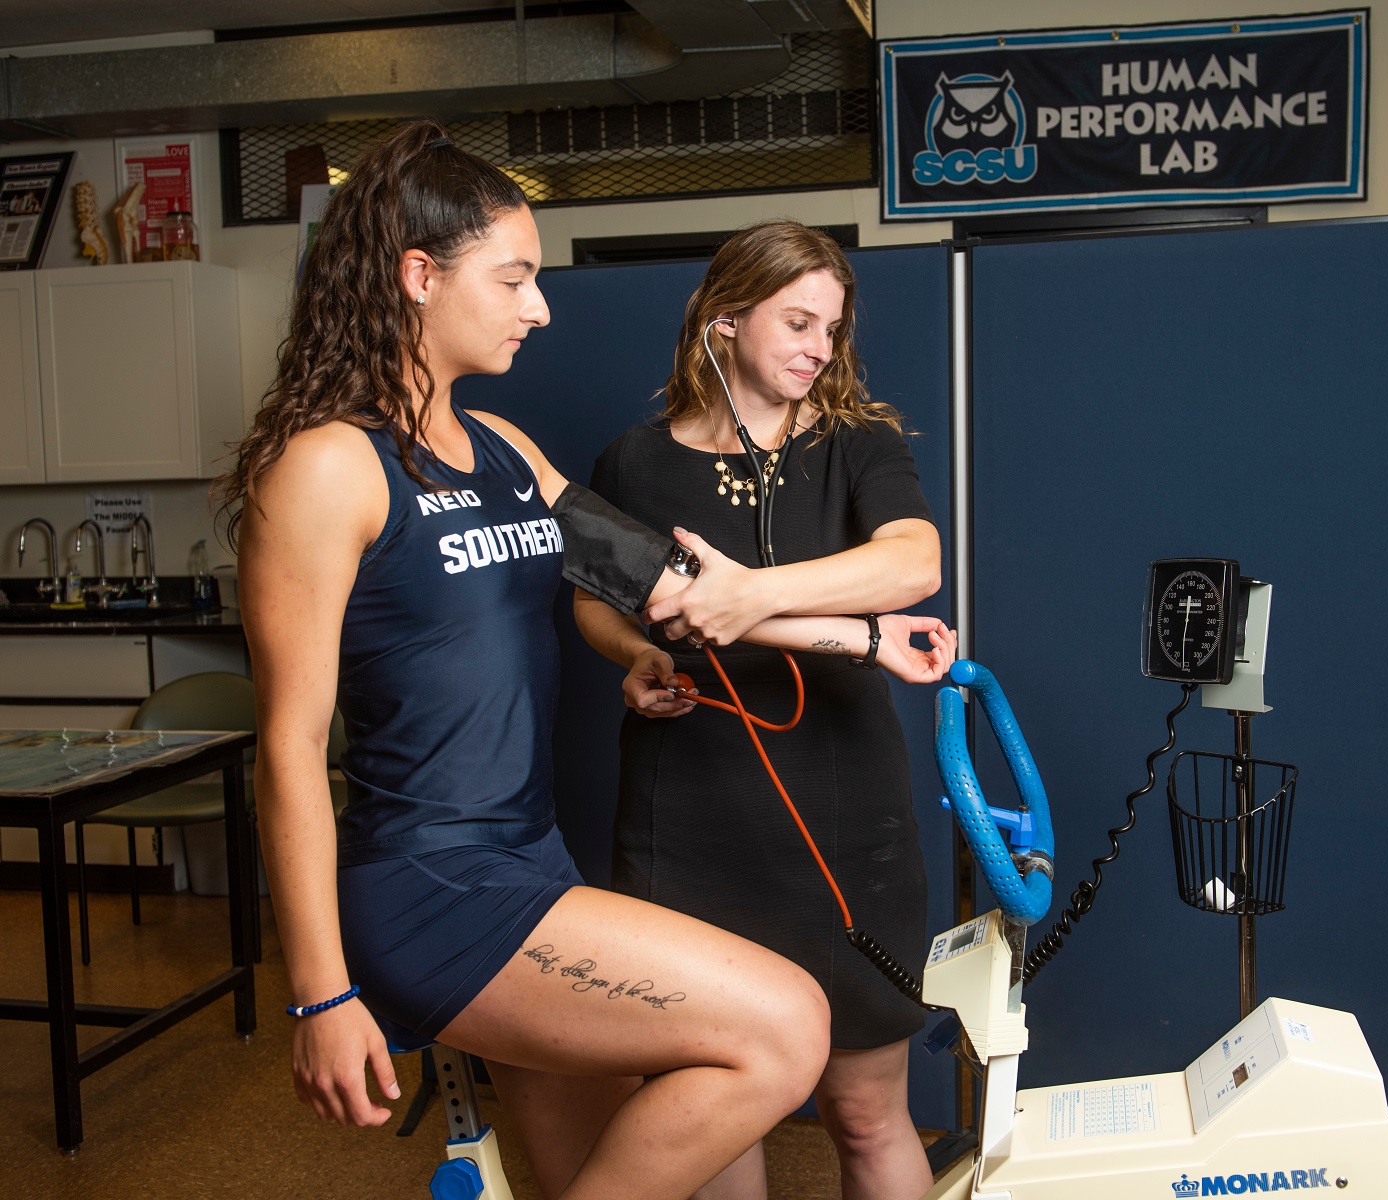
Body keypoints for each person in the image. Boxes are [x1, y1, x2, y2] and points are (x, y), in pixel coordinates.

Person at [215, 124, 955, 1200]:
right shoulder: (329, 468)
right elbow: (284, 749)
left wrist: (868, 637)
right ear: (418, 277)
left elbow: (671, 589)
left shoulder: (505, 450)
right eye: (513, 278)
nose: (539, 307)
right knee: (786, 1026)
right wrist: (319, 995)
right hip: (431, 883)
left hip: (531, 859)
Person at [574, 220, 947, 1200]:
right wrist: (638, 652)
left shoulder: (857, 445)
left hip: (844, 818)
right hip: (688, 822)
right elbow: (590, 597)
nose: (819, 348)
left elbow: (914, 563)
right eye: (797, 321)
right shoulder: (637, 460)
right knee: (714, 1109)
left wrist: (753, 596)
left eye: (832, 328)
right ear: (723, 321)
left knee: (865, 1112)